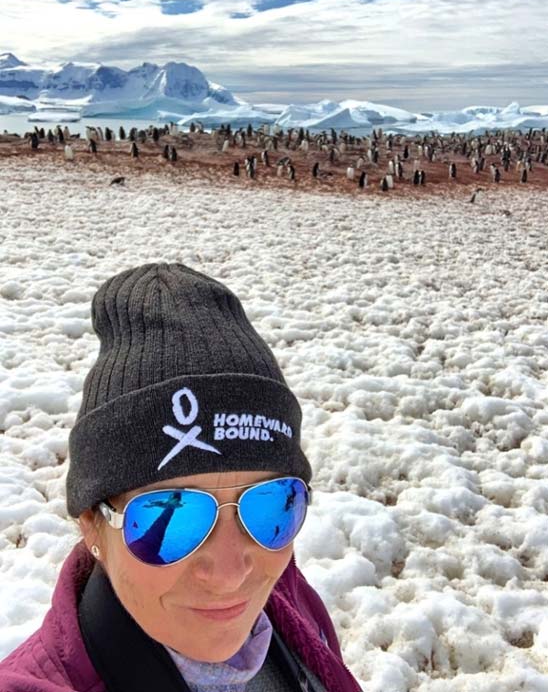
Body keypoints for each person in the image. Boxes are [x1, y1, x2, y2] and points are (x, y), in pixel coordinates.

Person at [0, 263, 362, 692]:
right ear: (91, 523)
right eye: (171, 518)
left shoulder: (290, 599)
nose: (231, 573)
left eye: (271, 506)